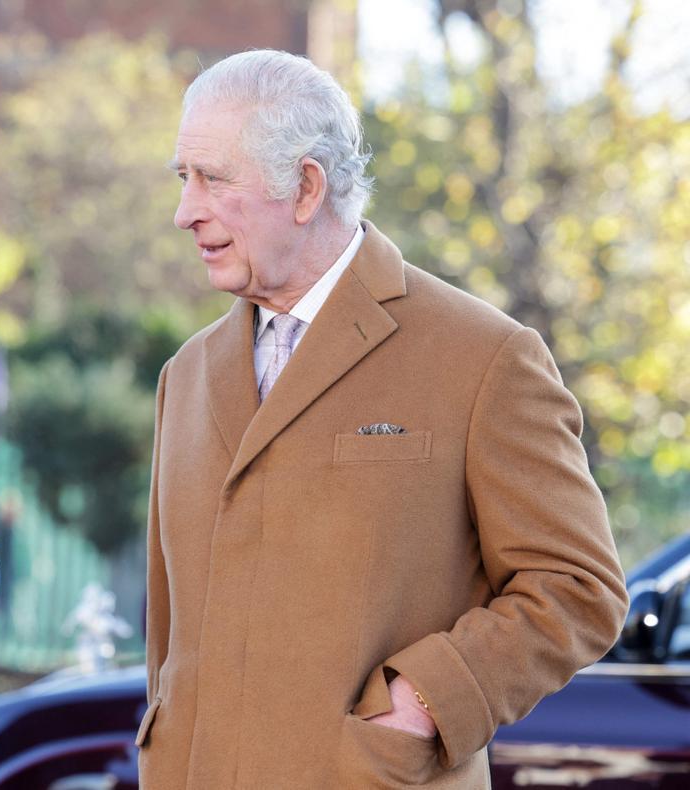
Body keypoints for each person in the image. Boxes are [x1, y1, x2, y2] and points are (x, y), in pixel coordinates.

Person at [136, 50, 628, 788]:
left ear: (305, 187)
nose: (186, 211)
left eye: (213, 178)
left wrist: (424, 702)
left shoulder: (485, 357)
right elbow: (170, 629)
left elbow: (577, 587)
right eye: (183, 179)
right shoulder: (186, 375)